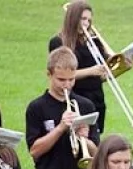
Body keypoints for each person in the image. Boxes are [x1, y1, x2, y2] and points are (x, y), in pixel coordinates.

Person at [49, 1, 120, 133]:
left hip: (97, 98)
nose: (86, 23)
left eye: (88, 20)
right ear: (73, 18)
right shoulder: (58, 42)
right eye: (83, 19)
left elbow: (104, 73)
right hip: (75, 97)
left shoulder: (93, 42)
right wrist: (91, 71)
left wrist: (123, 66)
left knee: (95, 138)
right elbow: (60, 74)